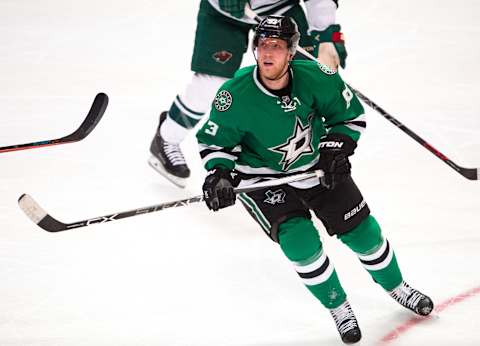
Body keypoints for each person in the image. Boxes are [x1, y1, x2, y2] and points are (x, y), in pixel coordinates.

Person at [196, 15, 434, 344]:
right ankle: (339, 307)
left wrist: (336, 148)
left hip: (315, 166)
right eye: (262, 44)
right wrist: (220, 173)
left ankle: (397, 287)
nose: (267, 52)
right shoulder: (234, 94)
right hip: (262, 179)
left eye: (277, 46)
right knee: (300, 241)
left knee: (364, 234)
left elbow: (348, 117)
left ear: (292, 52)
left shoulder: (319, 78)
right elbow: (215, 142)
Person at [149, 0, 347, 187]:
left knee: (303, 76)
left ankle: (303, 156)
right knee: (212, 84)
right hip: (224, 13)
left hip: (280, 10)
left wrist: (325, 35)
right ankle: (168, 137)